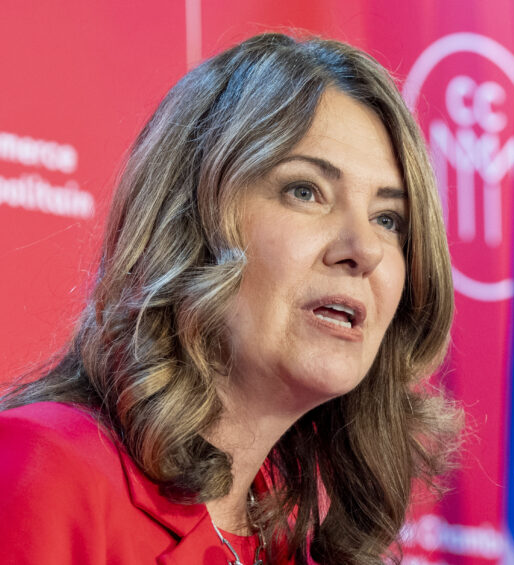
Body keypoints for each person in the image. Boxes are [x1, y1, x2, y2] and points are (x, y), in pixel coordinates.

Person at [0, 33, 461, 564]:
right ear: (190, 221)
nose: (364, 250)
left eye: (388, 219)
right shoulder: (48, 472)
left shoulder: (293, 543)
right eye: (305, 191)